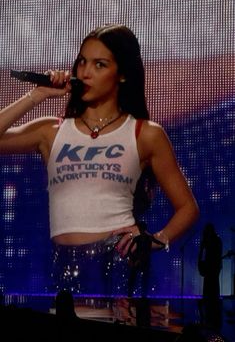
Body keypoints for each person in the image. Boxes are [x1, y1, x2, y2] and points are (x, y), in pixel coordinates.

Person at [0, 24, 199, 296]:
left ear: (123, 75)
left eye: (99, 64)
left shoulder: (145, 133)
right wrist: (37, 95)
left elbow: (187, 207)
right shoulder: (50, 131)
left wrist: (158, 240)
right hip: (62, 264)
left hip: (117, 261)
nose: (85, 72)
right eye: (82, 62)